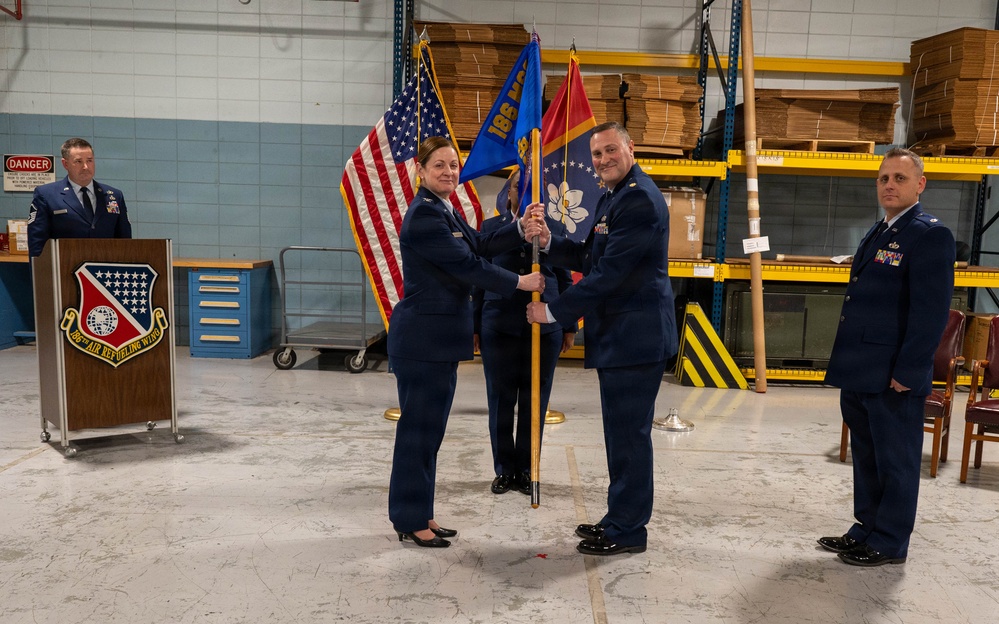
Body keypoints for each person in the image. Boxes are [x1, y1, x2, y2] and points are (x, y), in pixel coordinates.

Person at [387, 136, 548, 548]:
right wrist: (520, 281)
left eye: (453, 165)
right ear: (420, 171)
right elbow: (469, 265)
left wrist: (519, 227)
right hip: (424, 342)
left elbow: (480, 243)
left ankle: (421, 512)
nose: (448, 171)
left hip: (437, 343)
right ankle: (409, 518)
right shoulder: (424, 217)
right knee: (418, 434)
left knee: (430, 434)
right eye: (438, 165)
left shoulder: (445, 210)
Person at [526, 121, 677, 556]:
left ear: (630, 148)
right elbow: (593, 257)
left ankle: (629, 530)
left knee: (629, 437)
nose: (603, 160)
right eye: (596, 154)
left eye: (611, 150)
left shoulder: (640, 201)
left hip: (636, 338)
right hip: (621, 338)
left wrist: (553, 310)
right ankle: (619, 517)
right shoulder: (615, 197)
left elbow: (608, 276)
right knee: (620, 435)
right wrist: (550, 240)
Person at [820, 147, 955, 567]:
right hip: (862, 370)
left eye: (899, 178)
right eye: (883, 178)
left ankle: (890, 540)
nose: (890, 185)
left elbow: (929, 313)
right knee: (867, 455)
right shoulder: (881, 230)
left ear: (920, 184)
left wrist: (909, 371)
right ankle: (866, 528)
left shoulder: (929, 234)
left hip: (893, 374)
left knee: (895, 460)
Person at [473, 169, 576, 496]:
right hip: (498, 326)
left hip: (544, 330)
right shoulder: (491, 229)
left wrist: (569, 325)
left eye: (534, 189)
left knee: (536, 401)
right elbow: (478, 279)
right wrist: (474, 327)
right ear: (510, 193)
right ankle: (504, 469)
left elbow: (566, 279)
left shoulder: (555, 229)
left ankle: (529, 469)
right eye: (521, 187)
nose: (528, 194)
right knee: (501, 400)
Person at [27, 138, 132, 257]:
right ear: (65, 164)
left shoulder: (114, 195)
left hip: (105, 270)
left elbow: (125, 242)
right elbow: (37, 243)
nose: (86, 167)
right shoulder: (46, 195)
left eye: (90, 160)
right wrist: (40, 274)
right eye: (78, 161)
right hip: (65, 268)